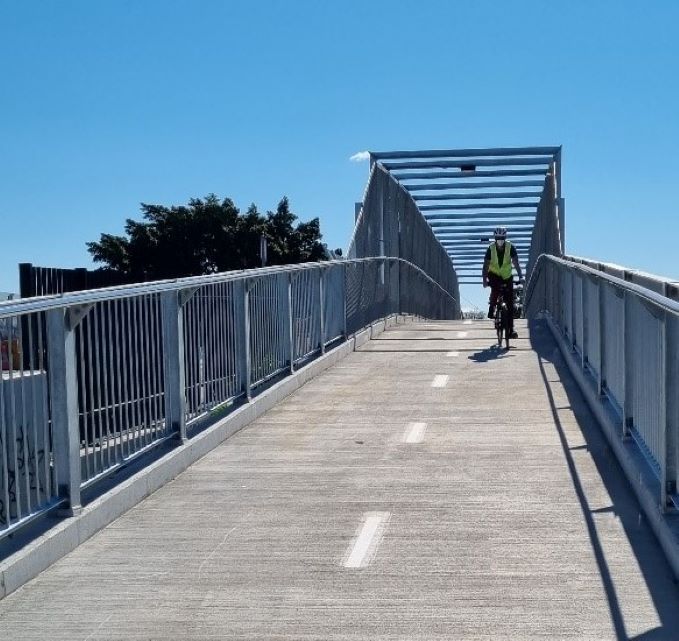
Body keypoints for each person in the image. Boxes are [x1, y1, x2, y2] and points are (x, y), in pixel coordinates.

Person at [482, 227, 523, 339]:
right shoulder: (491, 248)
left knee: (509, 304)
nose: (500, 239)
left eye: (502, 237)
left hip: (506, 276)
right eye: (498, 238)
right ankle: (492, 306)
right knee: (495, 289)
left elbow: (516, 263)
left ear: (505, 238)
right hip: (494, 274)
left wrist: (520, 276)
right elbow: (486, 265)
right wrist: (484, 279)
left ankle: (510, 330)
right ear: (495, 238)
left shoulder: (511, 247)